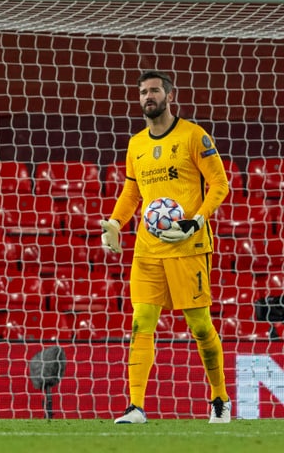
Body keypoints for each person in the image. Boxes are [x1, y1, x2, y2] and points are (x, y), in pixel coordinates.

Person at [100, 70, 231, 424]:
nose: (148, 96)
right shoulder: (135, 144)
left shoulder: (194, 136)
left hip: (188, 245)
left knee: (200, 326)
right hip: (148, 249)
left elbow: (219, 184)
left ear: (169, 96)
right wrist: (115, 223)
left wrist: (197, 220)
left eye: (155, 90)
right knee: (141, 321)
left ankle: (219, 397)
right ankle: (136, 406)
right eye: (143, 92)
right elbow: (132, 192)